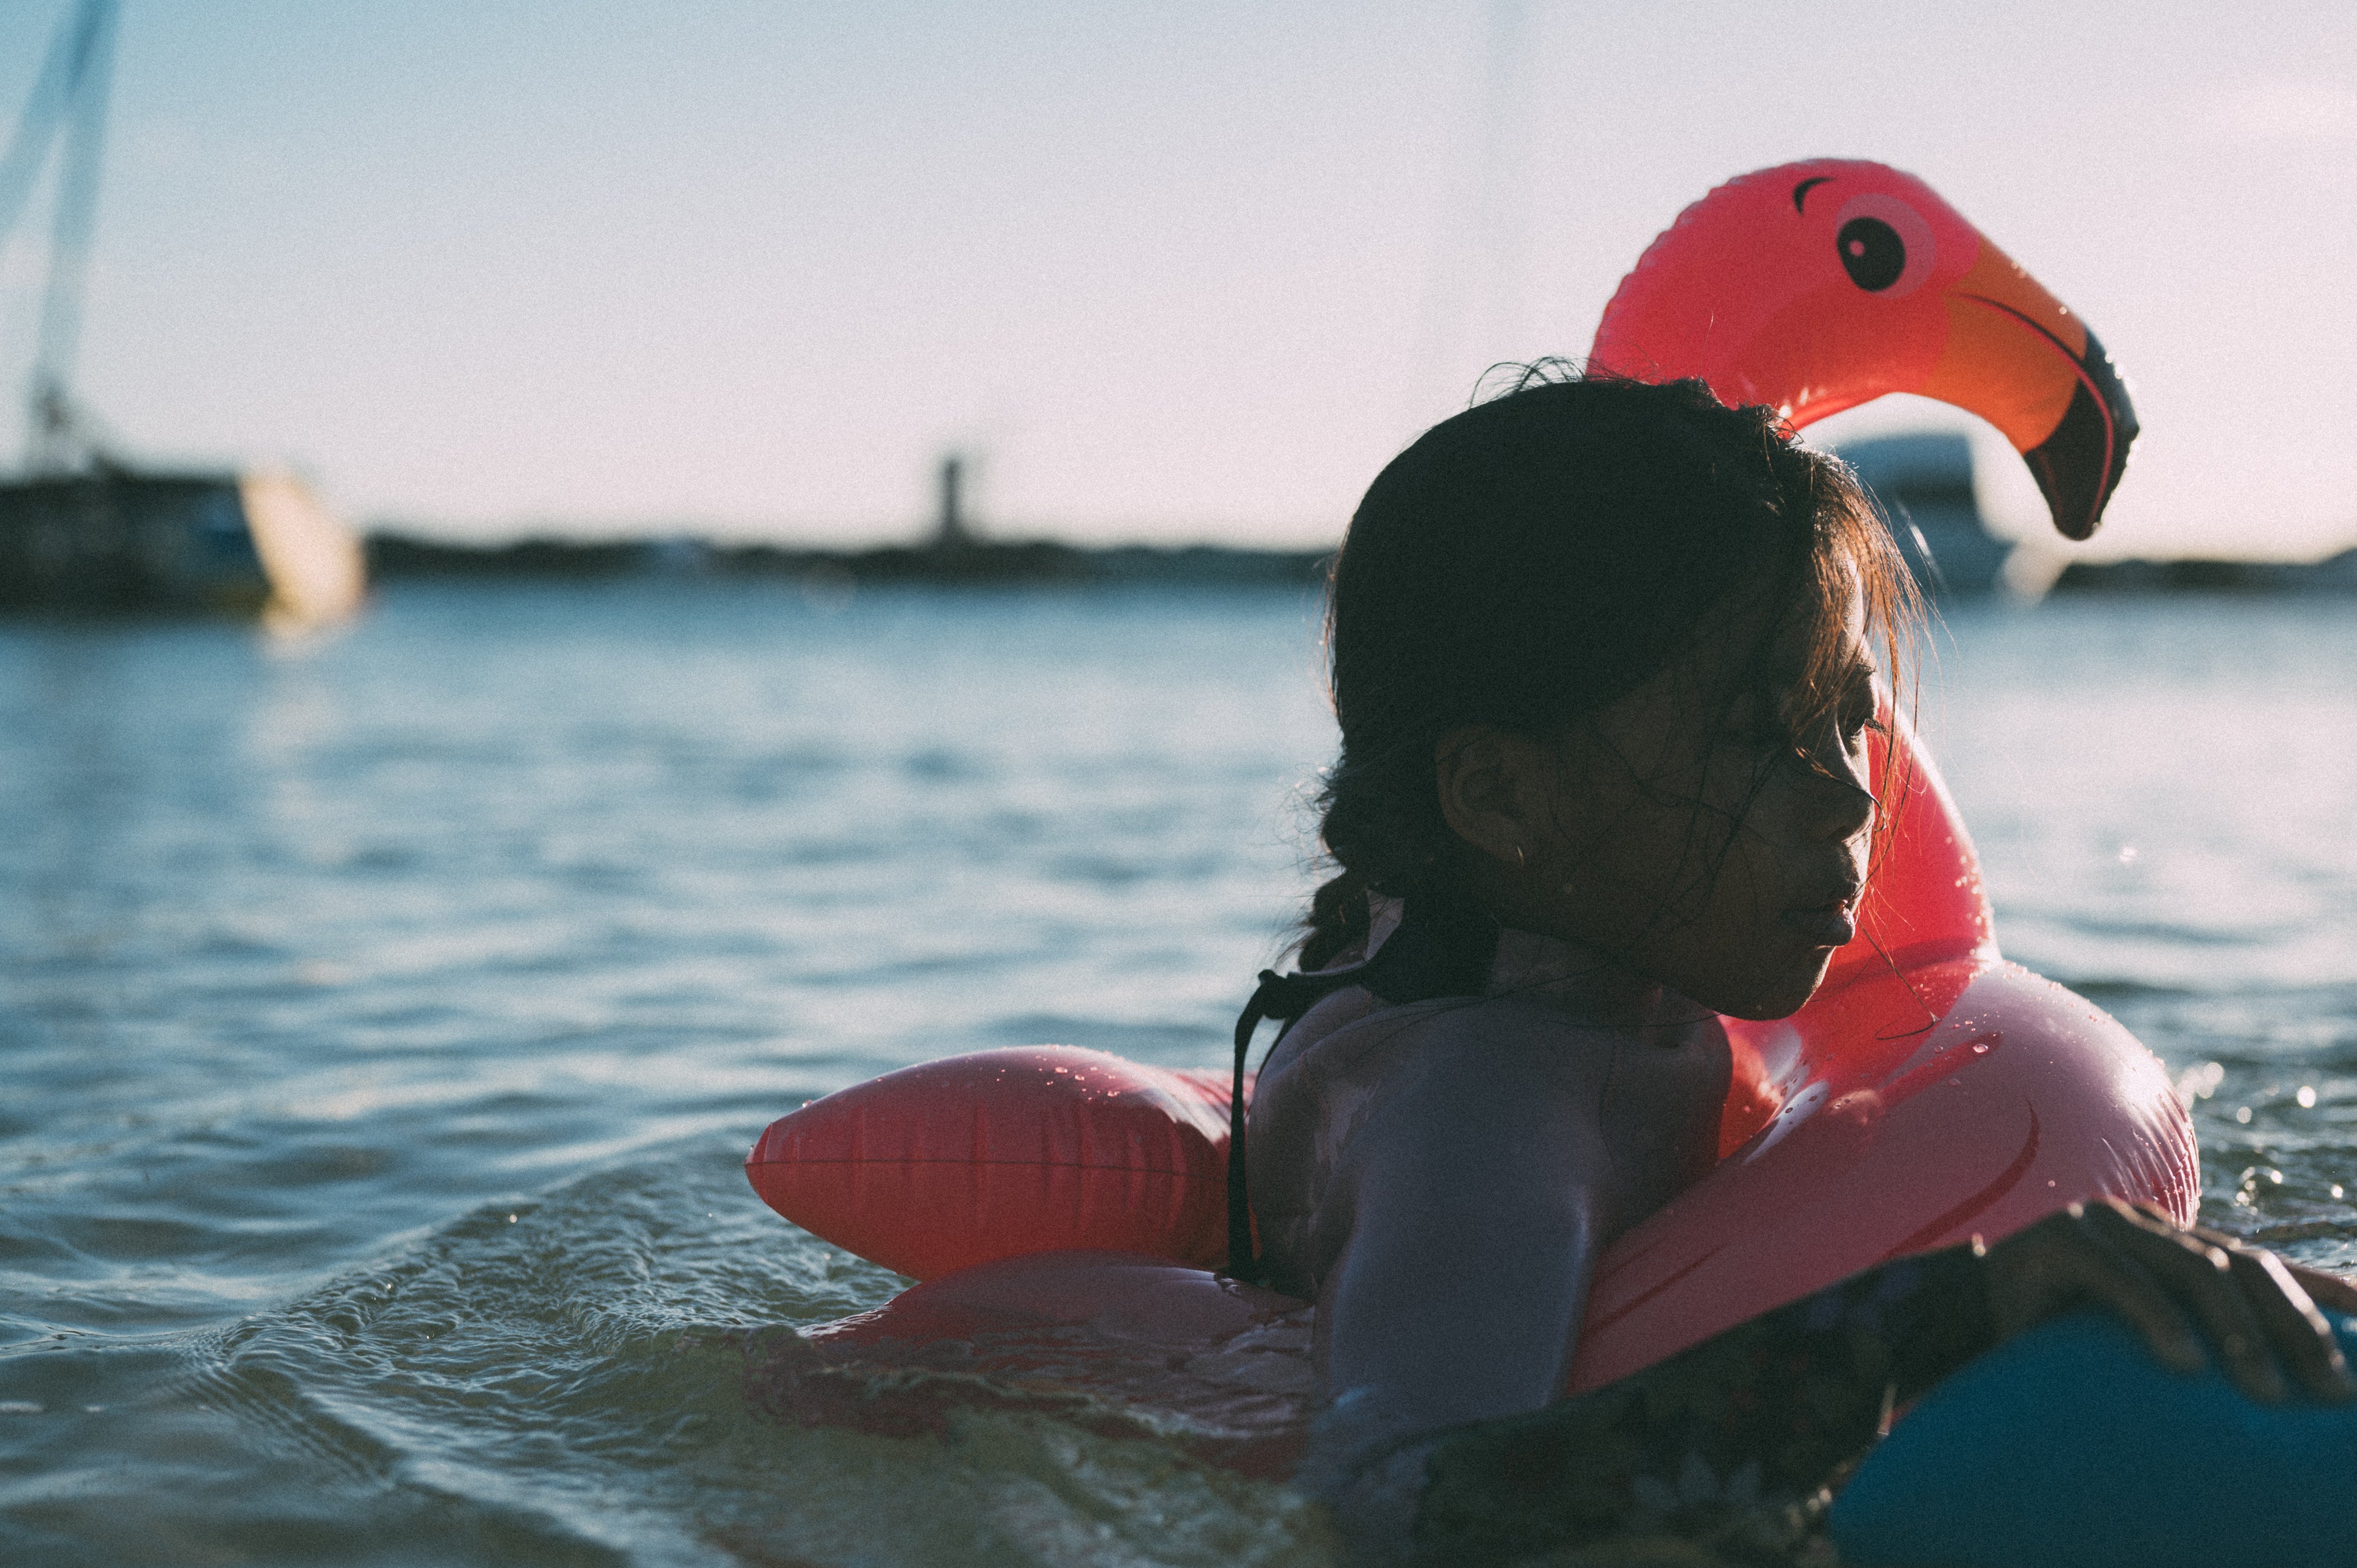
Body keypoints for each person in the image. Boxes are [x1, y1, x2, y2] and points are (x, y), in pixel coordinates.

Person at [1232, 370, 2356, 1563]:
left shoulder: (1548, 962)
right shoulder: (1484, 1112)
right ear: (1502, 791)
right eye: (1753, 735)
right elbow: (1392, 1497)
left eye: (1846, 721)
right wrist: (1940, 1313)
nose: (1842, 791)